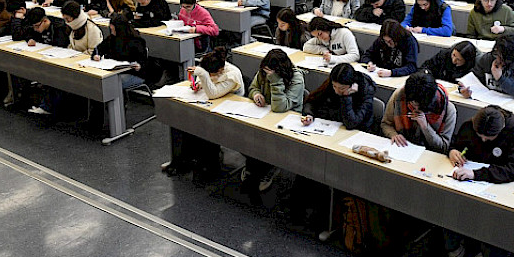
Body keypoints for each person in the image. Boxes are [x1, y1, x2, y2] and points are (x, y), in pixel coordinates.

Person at [444, 106, 514, 257]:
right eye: (479, 136)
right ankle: (453, 241)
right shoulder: (472, 125)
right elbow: (456, 144)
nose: (483, 140)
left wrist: (476, 174)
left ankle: (489, 251)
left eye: (488, 138)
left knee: (495, 214)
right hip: (472, 179)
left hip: (500, 181)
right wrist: (453, 151)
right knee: (452, 199)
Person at [161, 45, 245, 178]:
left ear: (220, 70)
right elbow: (205, 79)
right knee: (178, 121)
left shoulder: (231, 75)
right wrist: (199, 83)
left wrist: (203, 75)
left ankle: (207, 165)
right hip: (210, 104)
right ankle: (179, 161)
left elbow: (213, 93)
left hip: (227, 110)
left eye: (210, 74)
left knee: (204, 124)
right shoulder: (211, 66)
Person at [241, 49, 306, 193]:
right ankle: (253, 166)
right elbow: (253, 87)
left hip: (287, 121)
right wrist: (256, 94)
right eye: (265, 71)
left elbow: (280, 107)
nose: (266, 74)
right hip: (264, 115)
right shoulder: (264, 72)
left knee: (266, 141)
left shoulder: (296, 78)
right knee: (246, 133)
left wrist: (275, 82)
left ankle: (268, 168)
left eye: (270, 72)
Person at [381, 72, 457, 153]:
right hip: (402, 148)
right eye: (413, 104)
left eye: (420, 106)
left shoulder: (448, 109)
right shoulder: (400, 95)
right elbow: (386, 124)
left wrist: (425, 126)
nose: (416, 109)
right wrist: (393, 134)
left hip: (428, 154)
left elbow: (443, 146)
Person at [303, 62, 376, 132]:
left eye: (342, 88)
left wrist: (347, 97)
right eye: (334, 86)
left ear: (352, 85)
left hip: (357, 131)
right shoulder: (332, 82)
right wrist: (309, 115)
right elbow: (312, 101)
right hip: (333, 127)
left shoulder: (366, 91)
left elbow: (351, 124)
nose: (337, 91)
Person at [461, 33, 514, 100]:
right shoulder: (488, 58)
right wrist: (464, 89)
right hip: (489, 100)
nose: (498, 59)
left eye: (503, 58)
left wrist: (500, 79)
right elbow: (472, 80)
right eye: (496, 54)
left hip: (513, 104)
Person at [93, 14, 147, 90]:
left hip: (133, 74)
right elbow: (98, 49)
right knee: (99, 80)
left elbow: (143, 61)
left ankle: (117, 101)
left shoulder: (136, 41)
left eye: (113, 30)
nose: (112, 32)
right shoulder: (112, 38)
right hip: (114, 72)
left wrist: (139, 66)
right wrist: (96, 55)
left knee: (110, 83)